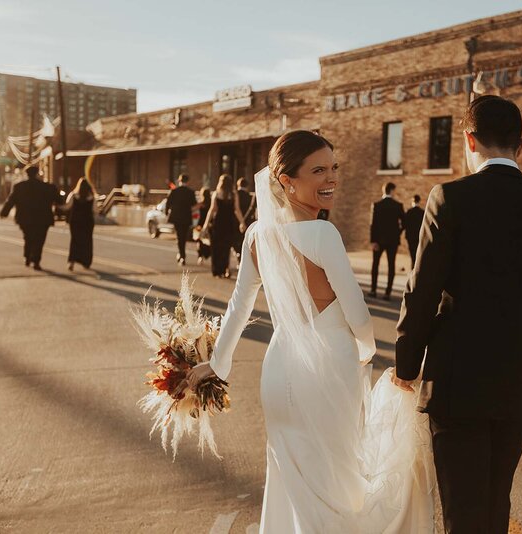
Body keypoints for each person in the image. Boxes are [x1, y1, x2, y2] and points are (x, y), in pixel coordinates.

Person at [179, 130, 435, 532]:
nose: (330, 178)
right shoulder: (322, 234)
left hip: (279, 371)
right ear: (286, 180)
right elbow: (359, 317)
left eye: (333, 168)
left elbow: (238, 306)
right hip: (329, 370)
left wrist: (218, 364)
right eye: (318, 170)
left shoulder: (256, 236)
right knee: (336, 482)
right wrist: (366, 353)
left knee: (289, 481)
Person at [392, 96, 522, 533]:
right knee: (494, 505)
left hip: (459, 382)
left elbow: (423, 289)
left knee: (462, 512)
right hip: (519, 380)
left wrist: (407, 362)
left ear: (469, 139)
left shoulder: (450, 198)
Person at [0, 166, 64, 271]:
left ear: (27, 174)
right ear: (38, 173)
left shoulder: (19, 187)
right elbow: (59, 201)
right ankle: (36, 261)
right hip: (43, 219)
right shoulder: (48, 187)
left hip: (25, 219)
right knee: (39, 240)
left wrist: (4, 212)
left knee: (28, 238)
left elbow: (11, 200)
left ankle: (27, 257)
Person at [200, 174, 244, 278]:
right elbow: (237, 210)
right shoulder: (234, 194)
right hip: (229, 224)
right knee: (226, 248)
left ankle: (217, 271)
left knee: (216, 247)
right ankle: (224, 269)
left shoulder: (216, 194)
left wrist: (205, 225)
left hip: (218, 223)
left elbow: (212, 210)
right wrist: (242, 222)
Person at [369, 182, 405, 300]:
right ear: (392, 190)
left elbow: (373, 225)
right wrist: (397, 233)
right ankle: (387, 293)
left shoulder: (377, 205)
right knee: (391, 265)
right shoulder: (398, 205)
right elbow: (404, 223)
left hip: (378, 241)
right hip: (393, 241)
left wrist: (373, 241)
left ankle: (373, 290)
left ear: (383, 190)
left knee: (375, 265)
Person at [165, 173, 197, 266]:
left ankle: (181, 255)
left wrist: (167, 213)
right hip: (186, 217)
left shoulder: (174, 191)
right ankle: (182, 255)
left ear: (179, 181)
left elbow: (168, 203)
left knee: (179, 236)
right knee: (184, 237)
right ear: (188, 181)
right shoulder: (191, 192)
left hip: (176, 217)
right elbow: (193, 204)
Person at [65, 177, 96, 271]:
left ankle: (71, 262)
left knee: (75, 240)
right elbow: (95, 210)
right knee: (87, 241)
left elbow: (67, 206)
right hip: (87, 222)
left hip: (75, 221)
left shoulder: (73, 195)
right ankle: (86, 262)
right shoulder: (92, 198)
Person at [234, 177, 257, 255]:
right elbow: (252, 210)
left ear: (238, 185)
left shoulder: (234, 195)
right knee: (244, 239)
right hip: (247, 221)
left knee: (236, 239)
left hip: (235, 220)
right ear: (247, 186)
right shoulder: (250, 197)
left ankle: (237, 253)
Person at [404, 194, 424, 269]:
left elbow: (405, 224)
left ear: (412, 201)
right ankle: (417, 269)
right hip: (419, 236)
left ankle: (413, 269)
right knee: (419, 254)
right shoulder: (422, 212)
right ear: (419, 201)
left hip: (410, 237)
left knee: (412, 254)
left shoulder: (409, 212)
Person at [195, 187, 213, 265]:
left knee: (199, 241)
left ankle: (200, 256)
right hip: (210, 223)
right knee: (210, 241)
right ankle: (210, 255)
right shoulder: (212, 203)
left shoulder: (201, 204)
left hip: (200, 224)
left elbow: (193, 209)